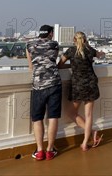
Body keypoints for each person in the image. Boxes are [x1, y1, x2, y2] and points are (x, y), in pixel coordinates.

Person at [60, 31, 104, 151]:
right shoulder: (90, 50)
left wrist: (72, 65)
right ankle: (85, 143)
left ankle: (92, 132)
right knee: (88, 115)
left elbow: (59, 64)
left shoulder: (71, 51)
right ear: (85, 40)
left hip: (77, 86)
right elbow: (100, 55)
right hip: (91, 84)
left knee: (71, 112)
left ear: (74, 40)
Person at [26, 24, 64, 161]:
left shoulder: (29, 45)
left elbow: (31, 66)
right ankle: (50, 150)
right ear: (50, 33)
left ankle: (40, 150)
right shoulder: (54, 44)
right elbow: (53, 60)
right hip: (54, 83)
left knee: (37, 118)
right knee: (53, 117)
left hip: (38, 85)